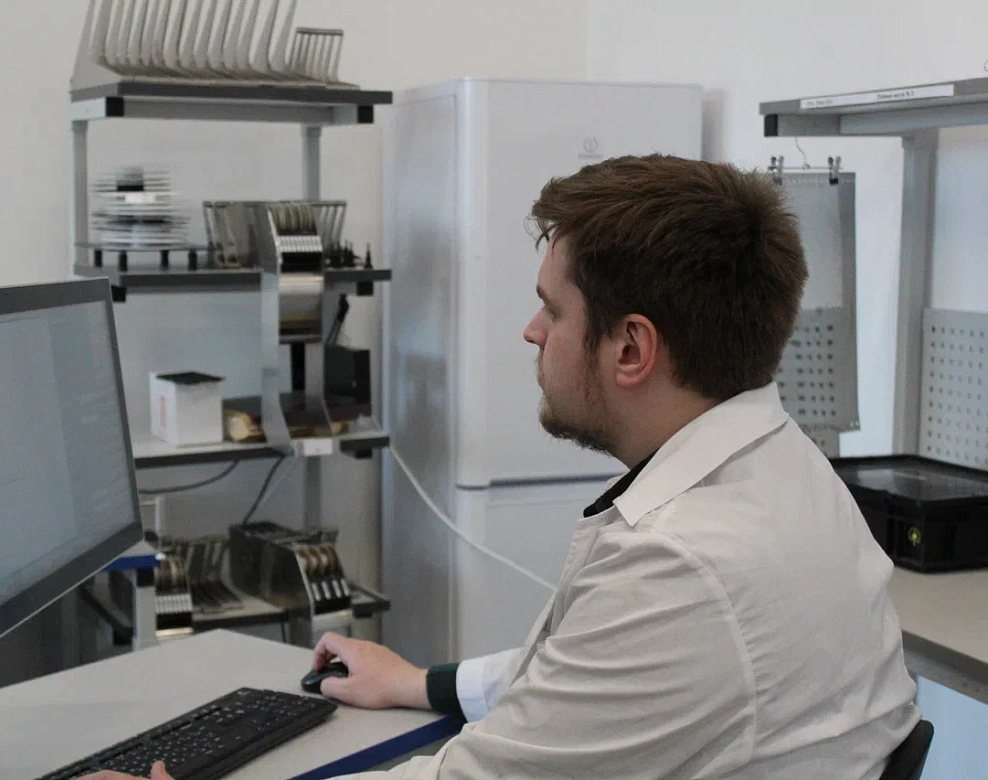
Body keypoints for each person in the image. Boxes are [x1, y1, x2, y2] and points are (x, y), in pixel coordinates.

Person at [83, 155, 920, 780]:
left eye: (553, 309)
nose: (531, 331)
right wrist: (427, 684)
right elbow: (585, 686)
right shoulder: (782, 466)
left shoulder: (687, 566)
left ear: (631, 349)